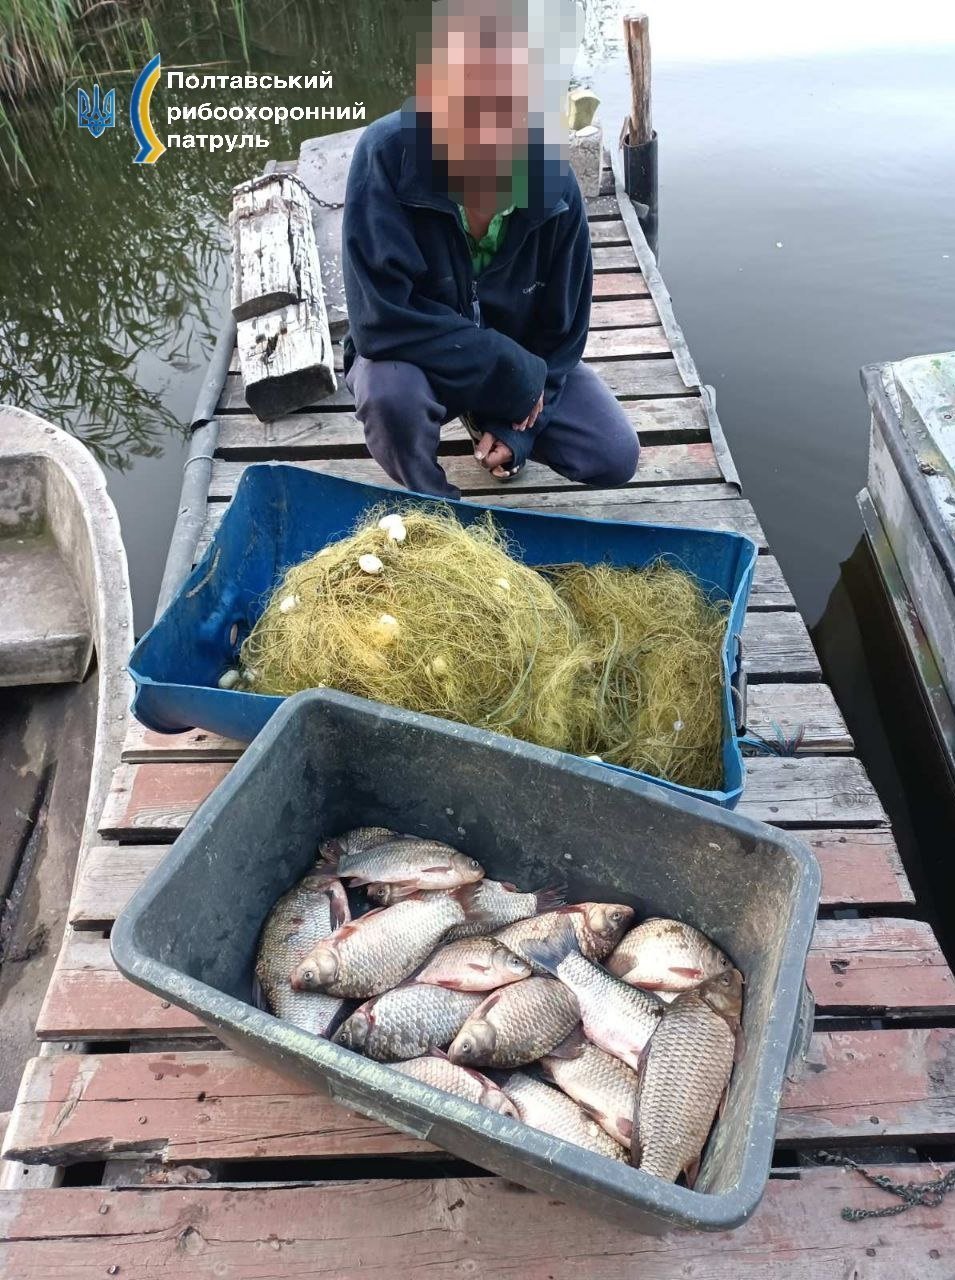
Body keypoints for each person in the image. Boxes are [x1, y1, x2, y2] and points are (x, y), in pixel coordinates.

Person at [341, 0, 640, 499]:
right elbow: (379, 321)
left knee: (613, 452)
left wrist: (517, 430)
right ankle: (433, 504)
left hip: (514, 359)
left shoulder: (558, 189)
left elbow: (563, 338)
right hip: (417, 359)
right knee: (389, 393)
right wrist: (511, 370)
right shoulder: (385, 155)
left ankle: (487, 417)